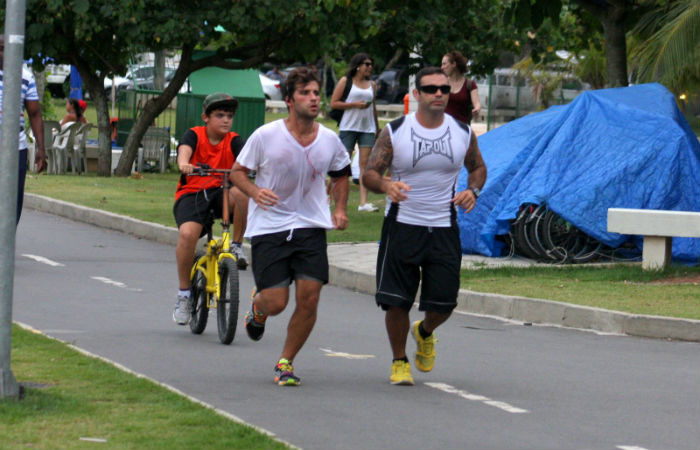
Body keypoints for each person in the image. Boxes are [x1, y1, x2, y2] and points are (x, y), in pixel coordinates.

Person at [362, 67, 487, 385]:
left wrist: (472, 191)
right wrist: (386, 186)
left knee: (445, 301)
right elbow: (371, 173)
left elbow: (478, 167)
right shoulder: (396, 131)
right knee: (396, 300)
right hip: (403, 224)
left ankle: (426, 330)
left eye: (444, 89)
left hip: (444, 225)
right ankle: (399, 360)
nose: (439, 94)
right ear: (416, 94)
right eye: (431, 89)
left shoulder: (462, 132)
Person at [232, 67, 351, 386]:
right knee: (277, 302)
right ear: (288, 100)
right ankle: (258, 307)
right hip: (270, 226)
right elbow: (238, 172)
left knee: (310, 297)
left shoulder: (329, 140)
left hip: (311, 225)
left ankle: (285, 362)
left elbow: (341, 173)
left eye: (316, 93)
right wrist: (256, 191)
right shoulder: (266, 136)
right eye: (305, 93)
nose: (314, 99)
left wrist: (339, 209)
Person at [172, 92, 249, 325]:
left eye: (229, 116)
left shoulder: (234, 140)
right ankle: (184, 295)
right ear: (206, 117)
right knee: (187, 235)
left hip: (221, 193)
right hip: (193, 193)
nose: (225, 120)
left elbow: (248, 159)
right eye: (219, 115)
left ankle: (236, 246)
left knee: (243, 190)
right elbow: (184, 151)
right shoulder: (194, 135)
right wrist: (185, 165)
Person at [0, 34, 47, 225]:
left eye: (7, 48)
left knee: (14, 198)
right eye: (1, 48)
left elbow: (34, 114)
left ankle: (6, 242)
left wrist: (41, 149)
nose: (4, 53)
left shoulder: (25, 76)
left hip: (15, 147)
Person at [330, 53, 379, 212]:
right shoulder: (346, 81)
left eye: (371, 64)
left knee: (364, 166)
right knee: (342, 163)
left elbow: (374, 107)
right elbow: (334, 103)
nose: (369, 67)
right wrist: (354, 105)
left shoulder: (372, 84)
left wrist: (377, 127)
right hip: (349, 127)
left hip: (367, 128)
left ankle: (363, 203)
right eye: (366, 64)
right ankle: (327, 196)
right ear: (358, 66)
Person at [441, 50, 481, 125]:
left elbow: (477, 104)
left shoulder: (470, 84)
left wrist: (477, 110)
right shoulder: (441, 83)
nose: (442, 67)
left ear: (454, 64)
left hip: (462, 129)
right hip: (443, 129)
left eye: (444, 64)